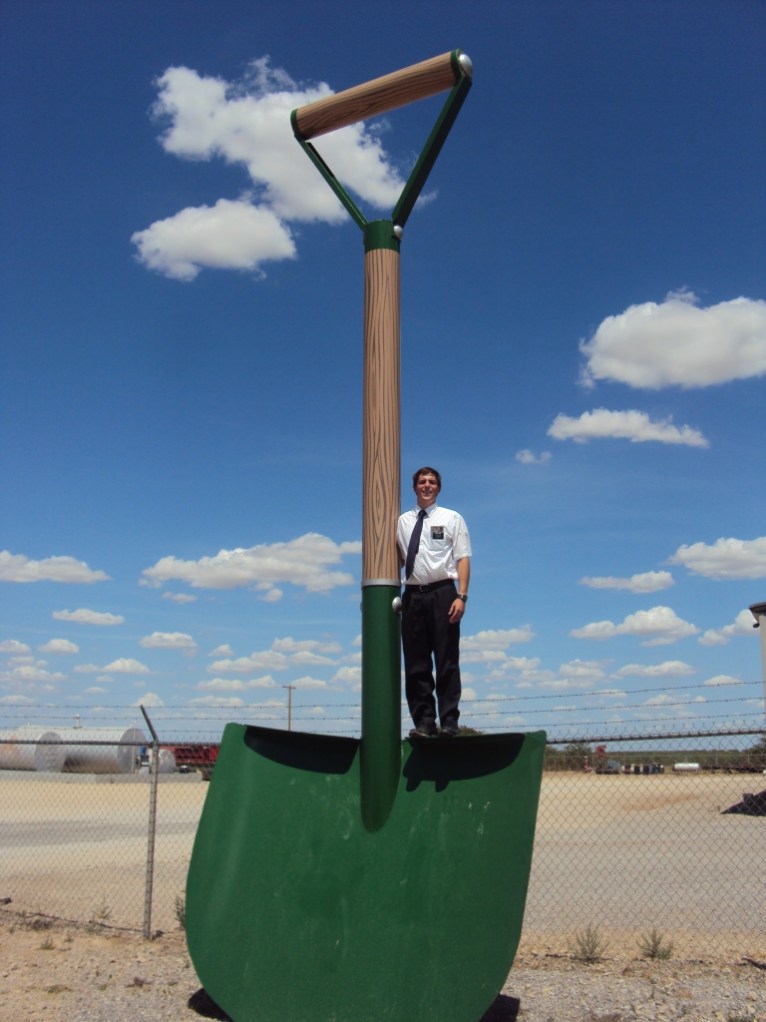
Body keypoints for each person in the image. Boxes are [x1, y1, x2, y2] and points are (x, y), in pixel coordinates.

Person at [397, 466, 471, 737]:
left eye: (432, 482)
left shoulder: (452, 518)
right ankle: (424, 723)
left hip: (443, 594)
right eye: (422, 482)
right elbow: (398, 558)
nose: (427, 486)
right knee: (416, 663)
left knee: (447, 659)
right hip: (413, 596)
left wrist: (461, 596)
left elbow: (463, 558)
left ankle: (449, 722)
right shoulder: (402, 522)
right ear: (414, 487)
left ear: (438, 488)